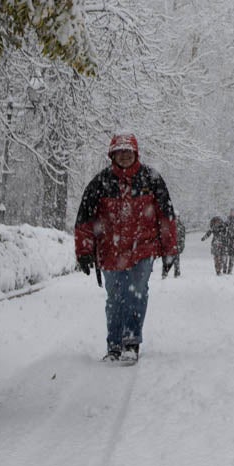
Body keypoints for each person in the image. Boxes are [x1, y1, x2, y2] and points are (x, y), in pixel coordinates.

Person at [74, 133, 179, 363]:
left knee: (136, 294)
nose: (124, 155)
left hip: (143, 249)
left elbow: (166, 217)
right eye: (119, 151)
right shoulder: (100, 183)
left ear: (135, 153)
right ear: (112, 154)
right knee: (115, 298)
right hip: (110, 251)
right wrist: (83, 251)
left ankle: (131, 342)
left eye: (128, 151)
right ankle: (113, 345)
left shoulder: (151, 179)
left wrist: (170, 249)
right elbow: (85, 220)